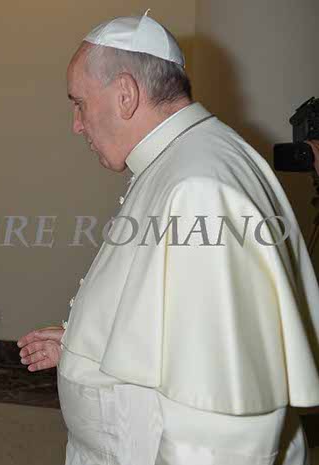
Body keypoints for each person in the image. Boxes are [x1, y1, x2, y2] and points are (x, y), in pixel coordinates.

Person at [19, 12, 319, 465]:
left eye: (79, 103)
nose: (76, 124)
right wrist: (85, 344)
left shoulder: (200, 187)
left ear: (125, 94)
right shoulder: (182, 160)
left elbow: (222, 422)